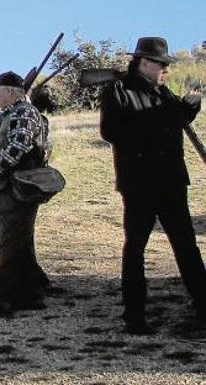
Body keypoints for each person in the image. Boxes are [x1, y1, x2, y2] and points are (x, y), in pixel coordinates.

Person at [100, 37, 206, 334]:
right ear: (144, 63)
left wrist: (190, 107)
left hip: (171, 181)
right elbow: (111, 131)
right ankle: (134, 317)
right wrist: (166, 115)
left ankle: (203, 305)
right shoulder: (118, 91)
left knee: (186, 246)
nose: (165, 71)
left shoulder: (163, 92)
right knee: (135, 249)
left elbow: (175, 120)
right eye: (161, 65)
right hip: (139, 184)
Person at [0, 71, 50, 315]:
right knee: (19, 240)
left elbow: (18, 147)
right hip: (10, 185)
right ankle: (31, 291)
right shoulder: (11, 114)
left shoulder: (25, 113)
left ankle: (4, 294)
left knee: (12, 240)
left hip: (19, 186)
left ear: (12, 92)